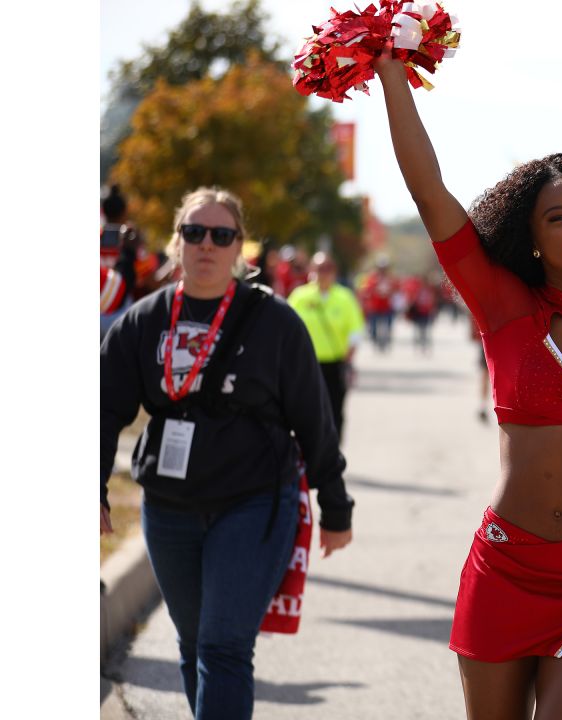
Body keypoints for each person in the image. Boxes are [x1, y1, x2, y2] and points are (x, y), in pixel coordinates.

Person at [375, 53, 562, 718]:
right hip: (504, 571)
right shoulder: (503, 308)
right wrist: (390, 74)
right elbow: (429, 192)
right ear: (533, 238)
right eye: (559, 217)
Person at [100, 187, 355, 719]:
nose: (206, 245)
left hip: (254, 502)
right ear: (176, 242)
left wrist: (335, 505)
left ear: (240, 247)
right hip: (168, 507)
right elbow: (102, 410)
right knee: (194, 645)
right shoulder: (144, 321)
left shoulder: (276, 322)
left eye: (222, 234)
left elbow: (313, 419)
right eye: (194, 232)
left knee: (223, 645)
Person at [288, 251, 367, 443]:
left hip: (335, 364)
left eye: (327, 269)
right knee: (305, 412)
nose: (323, 273)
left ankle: (332, 454)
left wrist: (348, 357)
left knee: (334, 410)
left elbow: (356, 330)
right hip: (306, 366)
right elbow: (287, 329)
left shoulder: (344, 297)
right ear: (311, 270)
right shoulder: (300, 296)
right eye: (319, 268)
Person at [360, 257, 398, 352]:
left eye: (384, 267)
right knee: (373, 327)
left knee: (389, 324)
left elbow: (396, 289)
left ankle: (387, 339)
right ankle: (374, 339)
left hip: (387, 306)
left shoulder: (390, 278)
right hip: (375, 306)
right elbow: (366, 289)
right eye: (381, 268)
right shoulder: (372, 278)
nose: (382, 270)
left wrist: (389, 292)